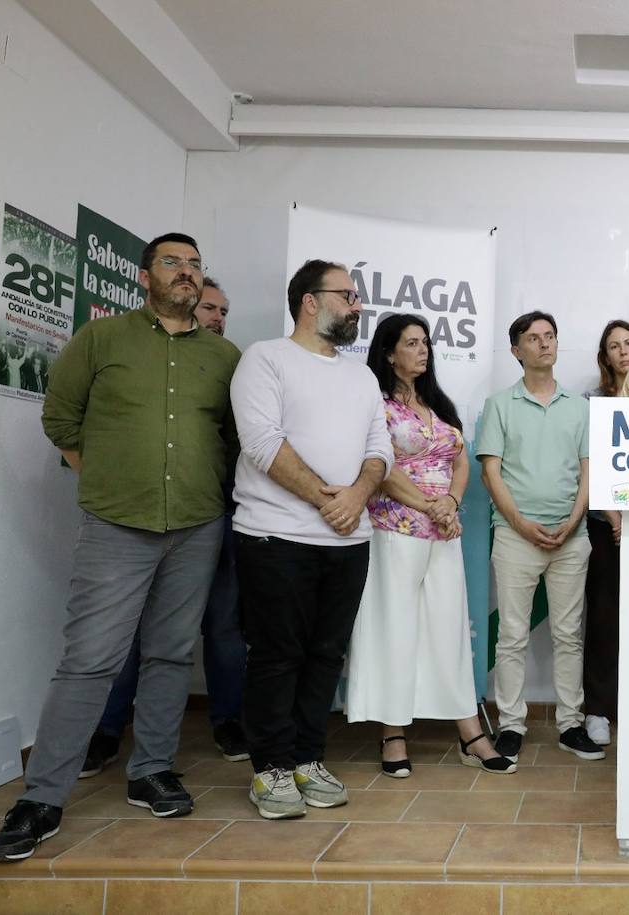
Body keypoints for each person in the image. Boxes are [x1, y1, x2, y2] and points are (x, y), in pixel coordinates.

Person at [0, 234, 239, 863]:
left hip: (196, 524)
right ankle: (41, 797)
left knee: (172, 654)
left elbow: (234, 439)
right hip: (117, 524)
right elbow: (62, 419)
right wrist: (103, 479)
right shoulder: (101, 340)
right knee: (91, 658)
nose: (187, 273)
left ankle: (151, 770)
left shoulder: (224, 355)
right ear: (144, 276)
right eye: (173, 263)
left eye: (195, 265)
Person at [230, 259, 394, 819]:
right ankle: (270, 769)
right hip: (275, 537)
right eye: (347, 295)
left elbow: (381, 450)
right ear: (309, 301)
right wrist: (331, 499)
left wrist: (358, 495)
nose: (357, 305)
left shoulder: (363, 376)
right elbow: (260, 443)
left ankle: (307, 758)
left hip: (349, 541)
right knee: (277, 655)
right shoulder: (265, 359)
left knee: (326, 655)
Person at [81, 276, 248, 779]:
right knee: (131, 630)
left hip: (215, 516)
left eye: (224, 311)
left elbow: (241, 441)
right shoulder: (128, 353)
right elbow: (68, 419)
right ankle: (109, 729)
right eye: (211, 308)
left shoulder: (230, 367)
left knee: (223, 625)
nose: (218, 317)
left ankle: (228, 722)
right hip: (139, 519)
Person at [346, 314, 515, 777]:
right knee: (395, 629)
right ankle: (393, 732)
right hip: (394, 528)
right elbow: (380, 465)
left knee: (448, 631)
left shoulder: (437, 404)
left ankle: (470, 732)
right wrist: (427, 504)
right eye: (412, 343)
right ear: (388, 352)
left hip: (443, 531)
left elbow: (460, 460)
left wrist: (450, 503)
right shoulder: (375, 403)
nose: (422, 351)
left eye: (425, 343)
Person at [476, 311, 603, 763]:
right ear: (517, 350)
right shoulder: (499, 405)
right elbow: (491, 472)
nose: (544, 343)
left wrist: (573, 520)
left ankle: (570, 723)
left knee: (569, 634)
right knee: (512, 636)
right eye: (534, 338)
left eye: (550, 336)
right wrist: (520, 523)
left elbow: (590, 469)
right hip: (515, 536)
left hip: (572, 536)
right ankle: (510, 725)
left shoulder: (580, 407)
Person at [580, 319, 629, 747]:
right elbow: (596, 466)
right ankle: (599, 711)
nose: (624, 352)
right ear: (605, 357)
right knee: (606, 620)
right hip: (607, 526)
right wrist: (615, 519)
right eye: (614, 346)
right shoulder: (595, 403)